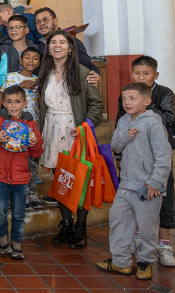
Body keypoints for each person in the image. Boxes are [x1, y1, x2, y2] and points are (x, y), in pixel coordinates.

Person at [97, 82, 172, 281]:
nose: (127, 102)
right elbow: (115, 146)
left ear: (146, 101)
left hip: (147, 187)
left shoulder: (153, 123)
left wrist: (156, 182)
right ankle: (121, 262)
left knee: (147, 227)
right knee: (118, 222)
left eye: (132, 98)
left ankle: (145, 262)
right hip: (126, 185)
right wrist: (125, 136)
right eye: (124, 99)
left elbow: (164, 157)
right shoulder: (123, 121)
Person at [38, 30, 103, 249]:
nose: (57, 45)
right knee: (60, 180)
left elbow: (96, 104)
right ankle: (66, 224)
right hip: (51, 129)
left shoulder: (82, 72)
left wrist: (85, 127)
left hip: (74, 131)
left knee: (79, 179)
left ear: (70, 47)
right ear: (48, 48)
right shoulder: (44, 72)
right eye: (53, 42)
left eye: (62, 42)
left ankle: (81, 227)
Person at [116, 56, 175, 267]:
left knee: (163, 203)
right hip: (133, 159)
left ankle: (164, 245)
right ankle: (140, 242)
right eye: (137, 73)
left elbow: (169, 119)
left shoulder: (164, 93)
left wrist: (145, 108)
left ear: (155, 75)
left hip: (158, 162)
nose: (141, 77)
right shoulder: (126, 96)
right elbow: (119, 125)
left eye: (146, 73)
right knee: (138, 204)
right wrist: (118, 157)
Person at [0, 85, 44, 259]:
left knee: (19, 213)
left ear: (25, 103)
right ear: (3, 103)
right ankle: (3, 238)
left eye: (17, 102)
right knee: (0, 211)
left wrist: (35, 144)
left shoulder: (30, 123)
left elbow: (37, 153)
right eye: (9, 102)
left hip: (21, 175)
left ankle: (17, 242)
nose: (13, 105)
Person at [2, 47, 42, 210]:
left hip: (32, 127)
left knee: (31, 163)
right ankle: (18, 196)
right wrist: (21, 84)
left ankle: (31, 194)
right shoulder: (12, 76)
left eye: (35, 58)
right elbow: (4, 95)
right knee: (15, 163)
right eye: (27, 57)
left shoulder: (39, 80)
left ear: (39, 62)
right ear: (20, 60)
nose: (30, 61)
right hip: (14, 128)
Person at [34, 7, 101, 84]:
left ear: (55, 21)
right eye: (38, 22)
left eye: (45, 20)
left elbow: (86, 64)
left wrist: (95, 73)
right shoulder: (39, 45)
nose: (41, 24)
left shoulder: (71, 42)